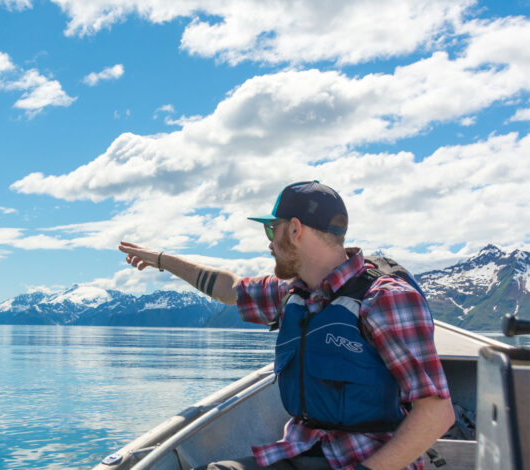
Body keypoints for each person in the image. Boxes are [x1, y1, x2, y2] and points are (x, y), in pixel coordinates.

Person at [118, 181, 454, 470]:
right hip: (304, 452)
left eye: (271, 230)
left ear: (295, 230)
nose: (268, 242)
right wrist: (162, 261)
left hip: (368, 460)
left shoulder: (385, 300)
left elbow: (436, 412)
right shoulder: (292, 293)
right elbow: (228, 288)